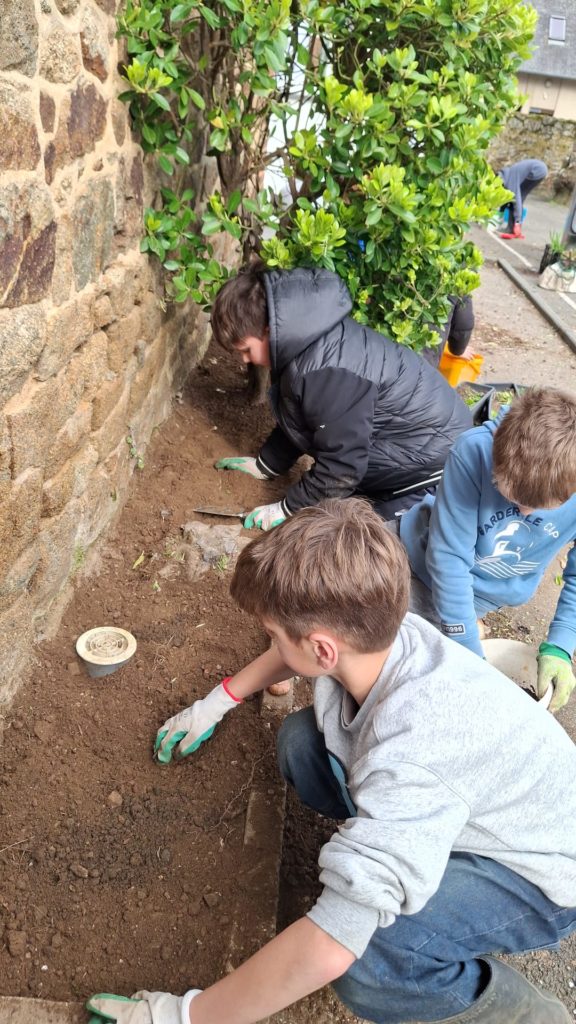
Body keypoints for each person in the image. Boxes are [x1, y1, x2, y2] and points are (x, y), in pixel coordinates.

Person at [87, 499, 576, 1024]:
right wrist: (219, 700)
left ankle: (530, 1016)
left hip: (540, 872)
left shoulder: (412, 757)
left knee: (371, 961)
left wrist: (183, 1016)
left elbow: (331, 946)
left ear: (323, 651)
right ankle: (394, 850)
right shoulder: (392, 633)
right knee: (302, 743)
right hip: (477, 803)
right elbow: (302, 648)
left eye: (274, 635)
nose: (272, 643)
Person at [211, 264, 472, 528]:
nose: (245, 360)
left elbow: (342, 466)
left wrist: (288, 510)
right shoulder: (305, 345)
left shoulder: (326, 372)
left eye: (246, 350)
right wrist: (267, 464)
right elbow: (303, 418)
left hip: (434, 467)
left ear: (269, 330)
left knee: (362, 536)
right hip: (409, 448)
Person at [399, 386, 576, 713]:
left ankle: (466, 621)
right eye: (512, 499)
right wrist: (468, 650)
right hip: (418, 558)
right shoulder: (475, 450)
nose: (524, 513)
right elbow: (449, 559)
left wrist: (561, 644)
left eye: (539, 507)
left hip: (482, 592)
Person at [496, 158, 548, 239]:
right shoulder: (508, 175)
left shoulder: (510, 181)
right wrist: (500, 212)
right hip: (539, 170)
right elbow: (505, 200)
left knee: (515, 199)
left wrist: (517, 222)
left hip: (536, 170)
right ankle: (512, 229)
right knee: (516, 198)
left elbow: (515, 200)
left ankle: (515, 227)